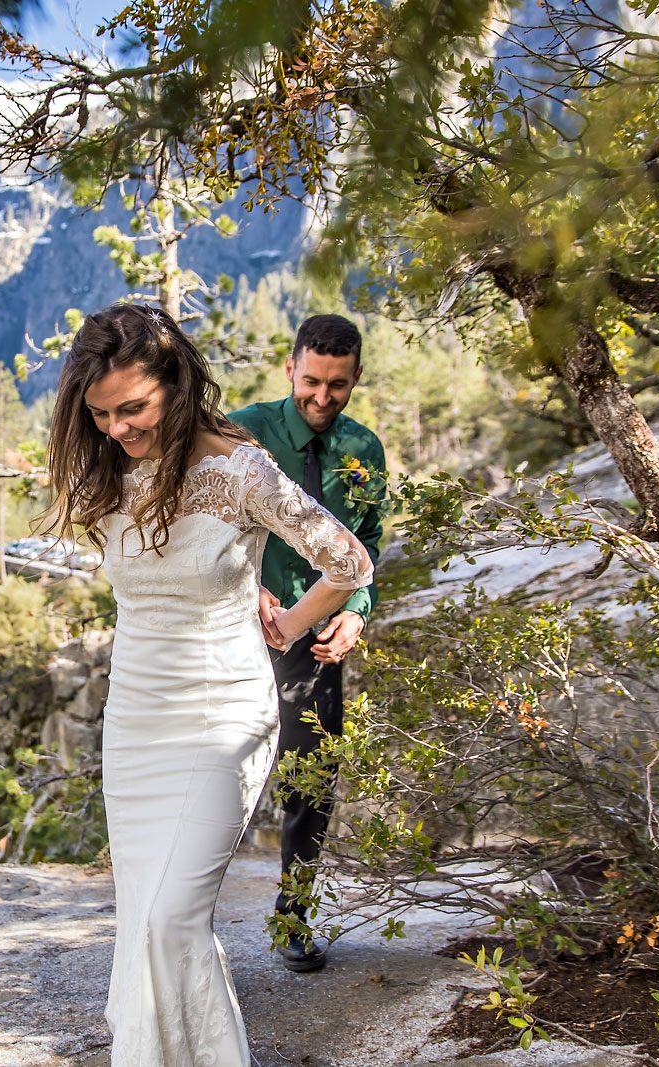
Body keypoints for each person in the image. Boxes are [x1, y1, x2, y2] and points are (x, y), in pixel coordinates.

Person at [42, 303, 373, 1066]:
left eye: (133, 408)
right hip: (134, 723)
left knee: (172, 921)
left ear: (176, 385)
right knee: (142, 924)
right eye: (100, 414)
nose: (118, 428)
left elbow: (348, 561)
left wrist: (288, 623)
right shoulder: (107, 466)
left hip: (221, 717)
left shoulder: (239, 469)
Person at [228, 313, 386, 973]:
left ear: (354, 380)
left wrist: (357, 609)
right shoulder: (244, 428)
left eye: (338, 386)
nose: (323, 398)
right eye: (312, 382)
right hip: (237, 630)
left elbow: (370, 539)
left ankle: (292, 918)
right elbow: (203, 520)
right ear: (290, 368)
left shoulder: (363, 449)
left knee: (312, 779)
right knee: (217, 775)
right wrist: (247, 586)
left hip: (314, 640)